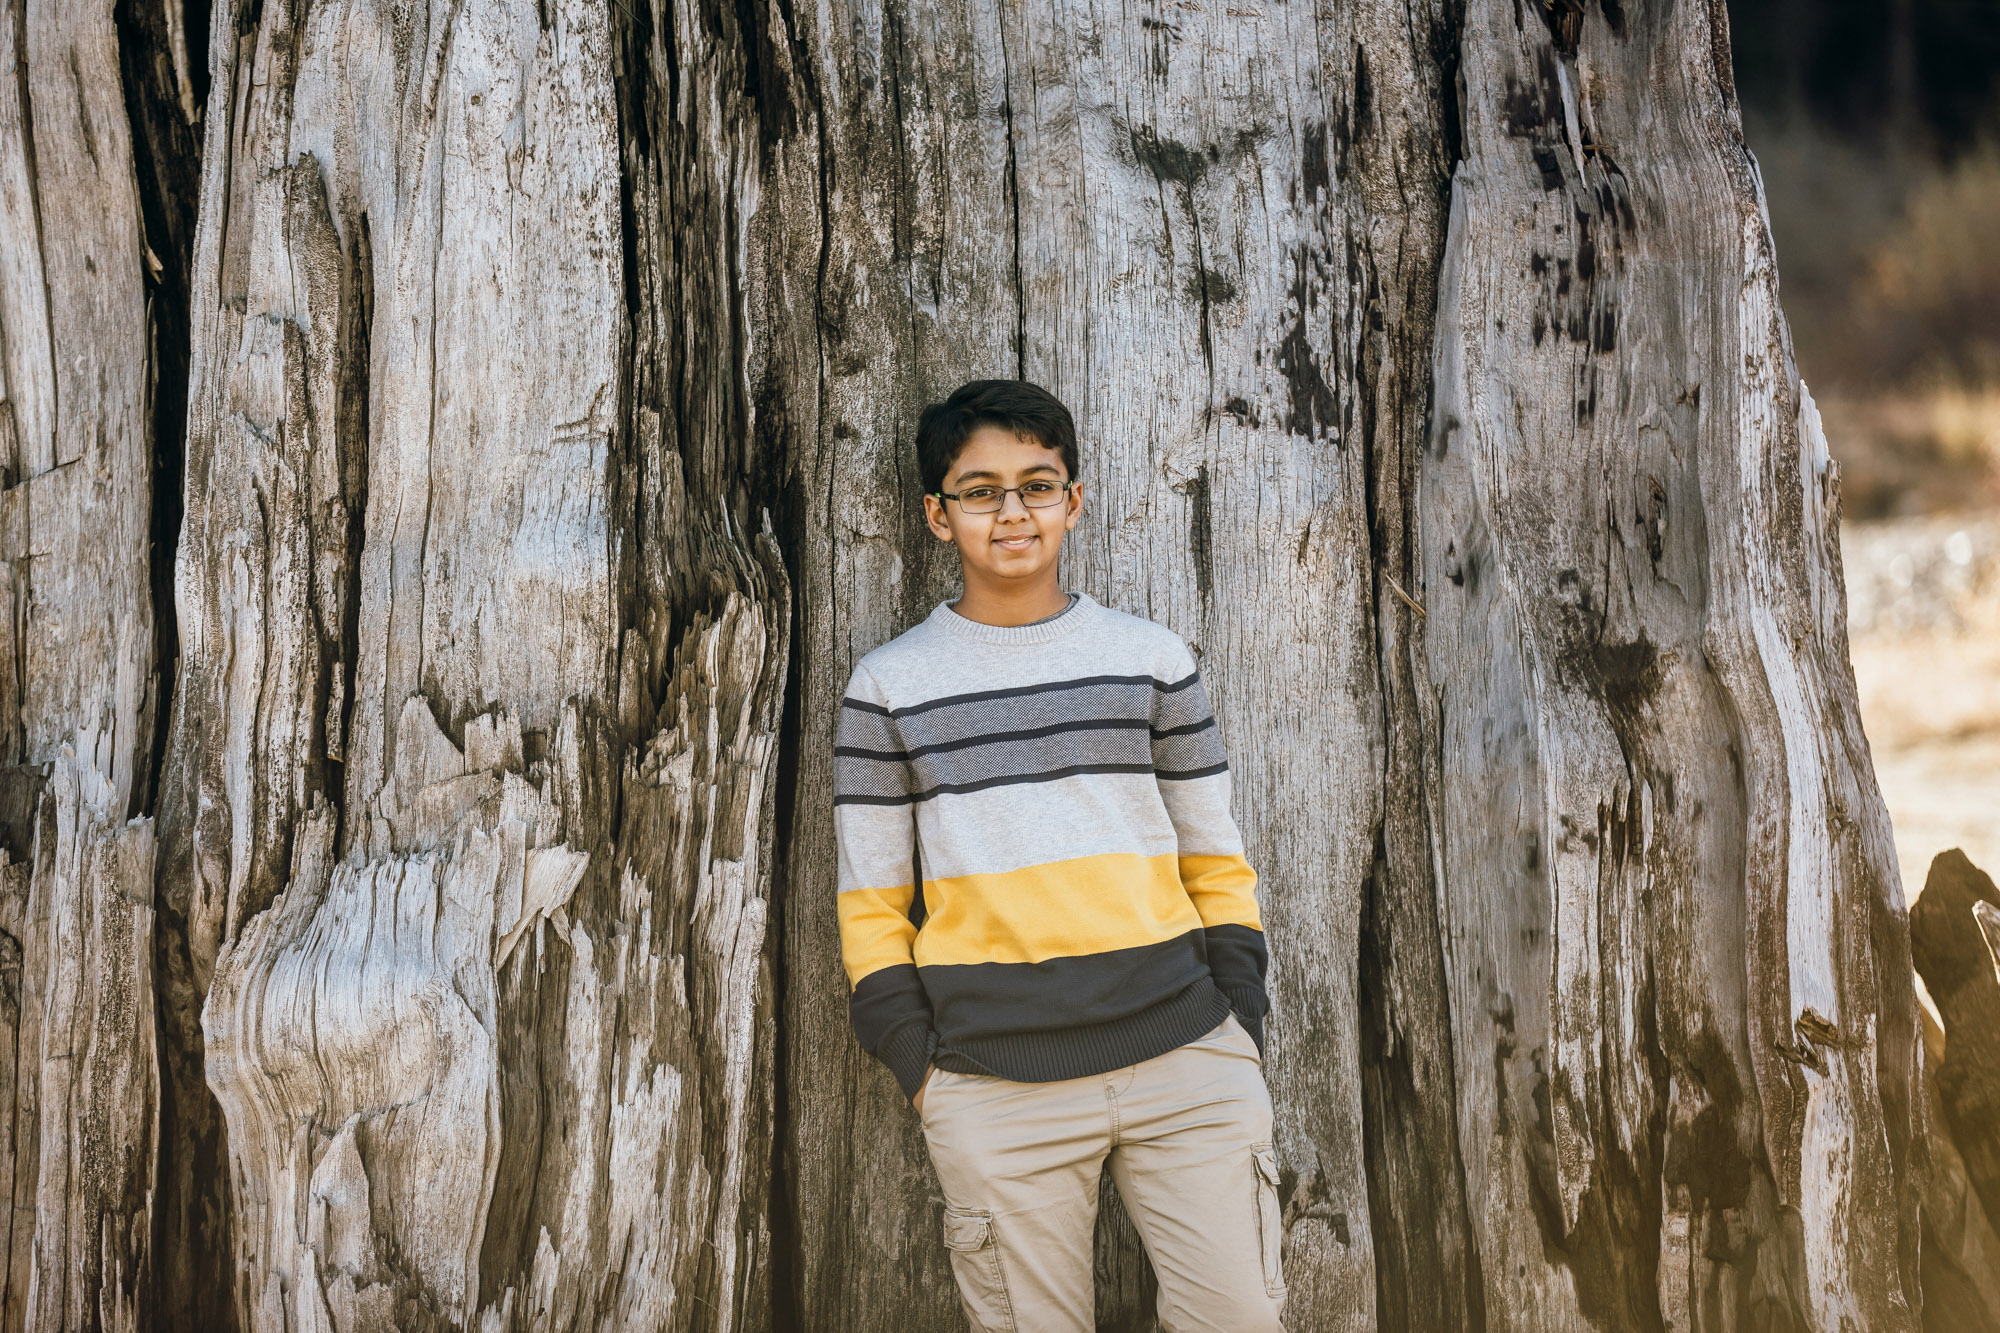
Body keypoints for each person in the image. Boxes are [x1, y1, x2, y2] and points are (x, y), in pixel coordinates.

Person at [832, 379, 1286, 1331]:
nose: (1012, 512)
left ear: (1073, 501)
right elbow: (872, 905)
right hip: (995, 1087)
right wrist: (925, 1070)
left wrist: (1236, 1017)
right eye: (980, 489)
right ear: (937, 513)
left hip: (1186, 1060)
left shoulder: (1152, 659)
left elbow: (1215, 857)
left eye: (1038, 485)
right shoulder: (890, 686)